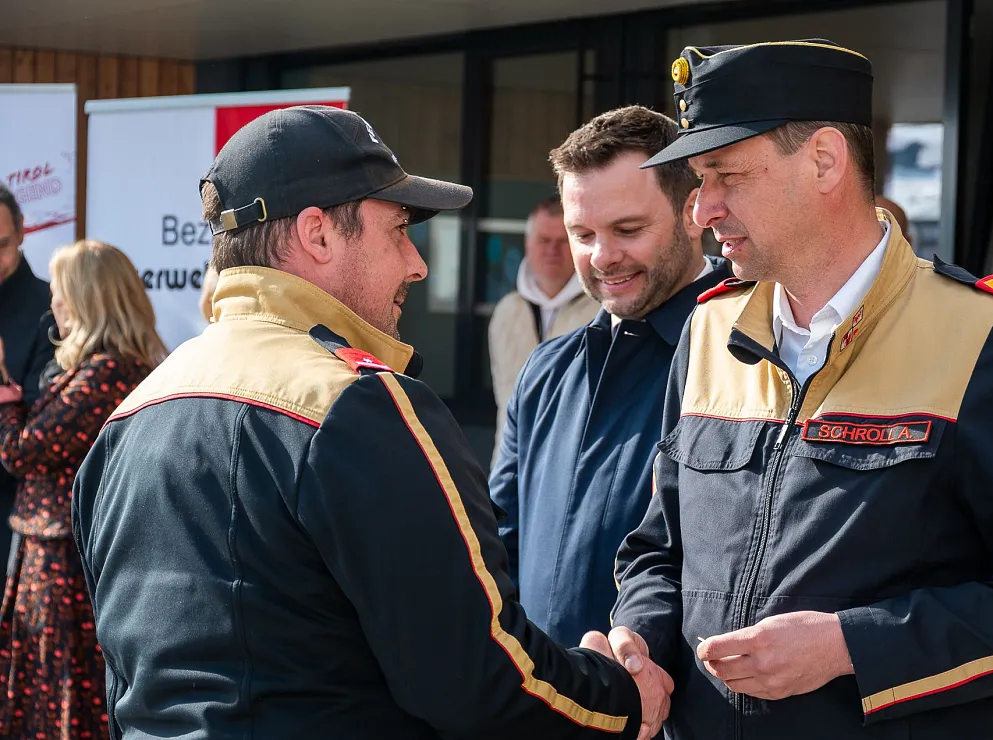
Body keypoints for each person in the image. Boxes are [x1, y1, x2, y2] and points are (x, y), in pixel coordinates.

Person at [71, 106, 670, 740]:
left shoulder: (131, 415)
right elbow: (473, 678)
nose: (417, 263)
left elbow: (130, 677)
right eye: (398, 230)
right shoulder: (357, 405)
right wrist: (622, 699)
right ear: (318, 235)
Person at [586, 41, 993, 739]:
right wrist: (640, 637)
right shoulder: (709, 327)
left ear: (825, 161)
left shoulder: (987, 335)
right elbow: (660, 548)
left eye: (725, 176)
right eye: (699, 180)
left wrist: (850, 646)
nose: (702, 210)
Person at [489, 105, 732, 648]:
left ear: (694, 212)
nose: (602, 257)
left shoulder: (750, 360)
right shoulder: (546, 371)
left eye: (627, 229)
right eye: (582, 234)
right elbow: (497, 546)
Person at [0, 239, 166, 739]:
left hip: (65, 564)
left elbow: (22, 452)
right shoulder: (100, 369)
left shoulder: (108, 373)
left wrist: (4, 392)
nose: (52, 301)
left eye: (61, 290)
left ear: (87, 298)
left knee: (62, 699)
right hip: (55, 554)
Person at [489, 196, 599, 459]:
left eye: (562, 241)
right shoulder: (507, 312)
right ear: (527, 243)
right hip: (511, 463)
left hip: (575, 463)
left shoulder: (603, 312)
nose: (552, 250)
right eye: (543, 240)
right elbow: (503, 399)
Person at [0, 185, 56, 567]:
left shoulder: (50, 309)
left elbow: (41, 429)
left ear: (22, 231)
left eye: (1, 245)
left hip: (13, 518)